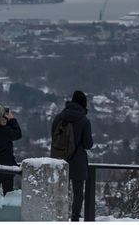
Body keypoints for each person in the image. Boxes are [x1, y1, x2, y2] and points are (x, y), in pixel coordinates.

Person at [51, 90, 93, 221]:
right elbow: (87, 144)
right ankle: (75, 219)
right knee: (78, 193)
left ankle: (59, 216)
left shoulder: (59, 117)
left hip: (59, 159)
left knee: (59, 190)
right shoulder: (84, 121)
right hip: (78, 161)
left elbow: (53, 136)